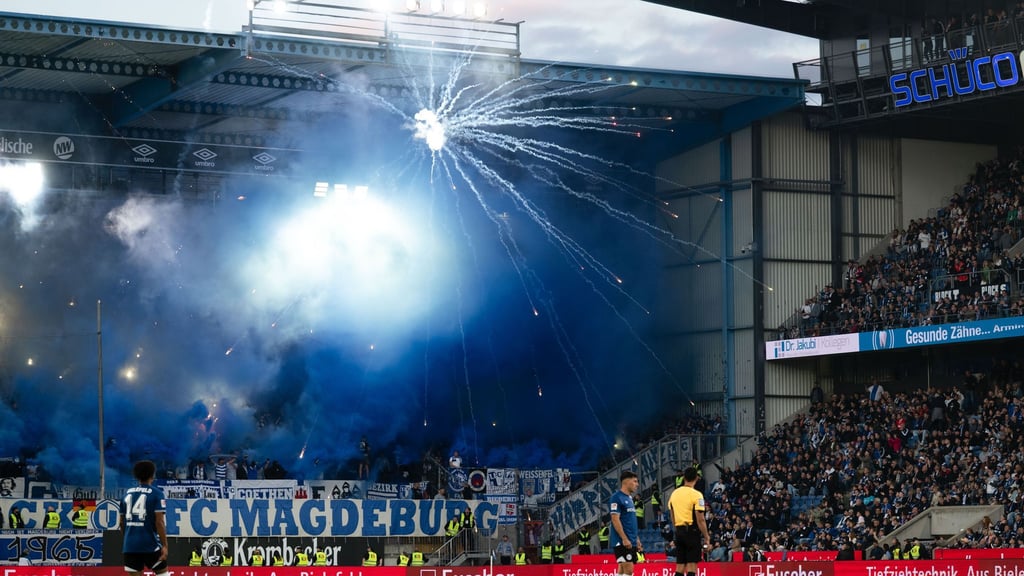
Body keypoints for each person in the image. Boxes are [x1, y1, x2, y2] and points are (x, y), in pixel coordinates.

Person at [120, 460, 169, 576]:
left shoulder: (126, 494)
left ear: (136, 476)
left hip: (130, 546)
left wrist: (129, 537)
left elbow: (121, 523)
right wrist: (165, 546)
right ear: (153, 475)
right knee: (163, 574)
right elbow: (160, 523)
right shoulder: (157, 494)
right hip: (150, 545)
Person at [668, 467, 710, 576]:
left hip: (679, 531)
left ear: (683, 477)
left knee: (680, 566)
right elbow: (700, 519)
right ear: (696, 478)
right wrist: (706, 537)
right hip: (691, 531)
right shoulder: (697, 495)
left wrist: (677, 529)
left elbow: (672, 516)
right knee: (692, 566)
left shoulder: (674, 494)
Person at [610, 470, 640, 575]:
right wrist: (624, 538)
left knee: (623, 569)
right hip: (622, 541)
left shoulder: (630, 498)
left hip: (630, 539)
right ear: (626, 482)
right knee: (629, 570)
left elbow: (630, 521)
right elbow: (615, 519)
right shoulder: (616, 497)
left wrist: (637, 539)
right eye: (635, 481)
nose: (637, 484)